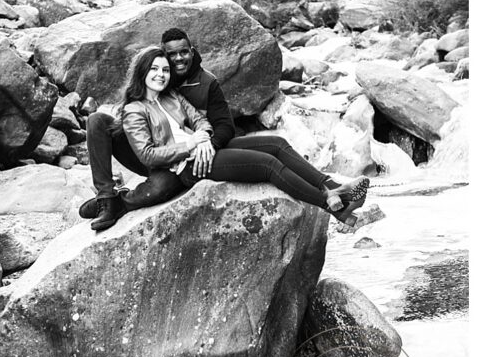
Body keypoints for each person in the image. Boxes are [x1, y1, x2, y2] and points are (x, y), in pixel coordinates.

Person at [82, 27, 367, 230]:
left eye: (164, 70)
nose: (161, 74)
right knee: (267, 165)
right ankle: (331, 205)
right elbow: (147, 155)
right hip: (186, 166)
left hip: (200, 153)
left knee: (276, 144)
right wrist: (192, 145)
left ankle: (331, 186)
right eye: (155, 70)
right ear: (142, 73)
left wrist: (204, 138)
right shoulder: (134, 109)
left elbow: (204, 122)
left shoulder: (173, 96)